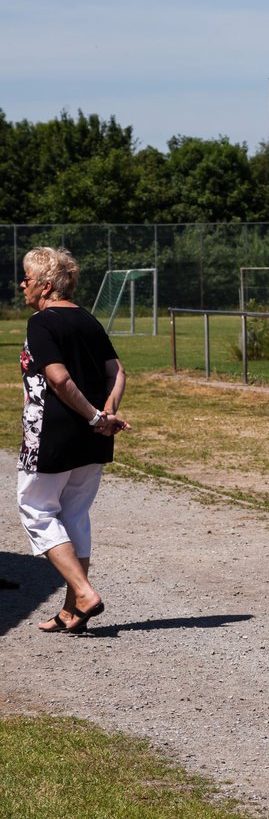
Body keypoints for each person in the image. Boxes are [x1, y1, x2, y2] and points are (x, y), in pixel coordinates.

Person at [17, 247, 131, 634]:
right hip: (91, 438)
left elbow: (59, 379)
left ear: (45, 286)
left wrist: (96, 416)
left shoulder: (42, 322)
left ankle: (83, 592)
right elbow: (118, 372)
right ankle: (71, 610)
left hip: (53, 434)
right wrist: (106, 415)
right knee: (74, 515)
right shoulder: (87, 319)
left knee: (35, 510)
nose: (23, 284)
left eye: (27, 278)